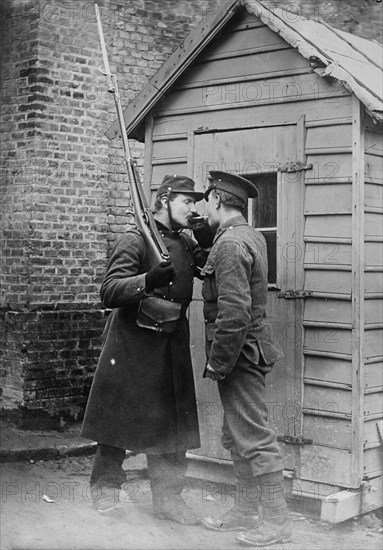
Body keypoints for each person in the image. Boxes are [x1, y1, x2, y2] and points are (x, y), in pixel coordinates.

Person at [81, 174, 213, 524]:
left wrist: (205, 236)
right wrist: (148, 280)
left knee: (173, 423)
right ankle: (106, 489)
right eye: (187, 201)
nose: (192, 207)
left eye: (196, 202)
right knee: (117, 418)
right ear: (165, 199)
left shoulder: (185, 242)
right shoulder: (135, 239)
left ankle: (168, 498)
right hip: (133, 343)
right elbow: (109, 292)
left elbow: (208, 268)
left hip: (171, 339)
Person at [200, 171, 292, 546]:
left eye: (206, 201)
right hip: (249, 350)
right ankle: (245, 511)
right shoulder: (248, 235)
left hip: (238, 355)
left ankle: (276, 522)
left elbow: (234, 312)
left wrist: (218, 362)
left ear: (218, 201)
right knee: (236, 435)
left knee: (253, 437)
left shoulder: (228, 245)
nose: (202, 208)